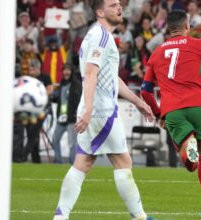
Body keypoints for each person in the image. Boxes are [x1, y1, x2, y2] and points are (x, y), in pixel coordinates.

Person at [52, 0, 155, 219]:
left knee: (82, 163)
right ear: (100, 11)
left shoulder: (94, 34)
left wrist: (137, 102)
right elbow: (91, 73)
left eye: (119, 4)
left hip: (93, 108)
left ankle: (60, 215)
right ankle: (140, 217)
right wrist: (90, 109)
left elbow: (112, 77)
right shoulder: (101, 36)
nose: (119, 8)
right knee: (123, 162)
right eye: (112, 5)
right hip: (102, 110)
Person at [140, 10, 201, 218]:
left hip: (172, 110)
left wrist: (159, 116)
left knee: (189, 160)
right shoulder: (197, 44)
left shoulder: (156, 53)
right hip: (198, 105)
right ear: (186, 27)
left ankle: (186, 147)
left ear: (168, 29)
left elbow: (145, 91)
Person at [51, 64, 82, 164]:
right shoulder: (62, 84)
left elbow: (79, 100)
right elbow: (59, 99)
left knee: (72, 144)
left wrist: (77, 114)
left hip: (71, 119)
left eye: (68, 70)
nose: (66, 72)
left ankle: (73, 163)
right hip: (61, 118)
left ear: (72, 71)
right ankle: (58, 161)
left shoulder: (76, 84)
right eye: (64, 70)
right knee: (55, 140)